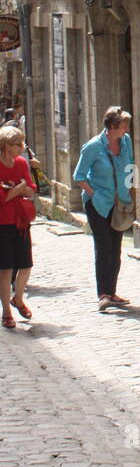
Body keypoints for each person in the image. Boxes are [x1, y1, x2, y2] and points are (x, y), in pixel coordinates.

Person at [73, 107, 134, 313]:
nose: (127, 128)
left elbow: (130, 167)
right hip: (98, 203)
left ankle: (112, 292)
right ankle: (103, 295)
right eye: (124, 125)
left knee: (116, 249)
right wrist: (94, 194)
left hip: (120, 203)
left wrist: (130, 192)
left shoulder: (126, 142)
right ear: (112, 126)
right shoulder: (93, 147)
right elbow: (79, 176)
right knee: (104, 247)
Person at [0, 124, 37, 328]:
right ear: (6, 146)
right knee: (5, 270)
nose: (22, 147)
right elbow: (1, 199)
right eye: (18, 144)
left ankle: (18, 298)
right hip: (2, 223)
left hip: (20, 222)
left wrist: (19, 189)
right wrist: (19, 189)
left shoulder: (22, 163)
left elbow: (31, 189)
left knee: (25, 265)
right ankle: (6, 312)